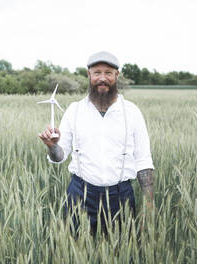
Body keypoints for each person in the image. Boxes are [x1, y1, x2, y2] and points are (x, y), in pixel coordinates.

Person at [38, 51, 155, 236]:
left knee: (123, 253)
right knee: (75, 250)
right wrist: (52, 146)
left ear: (117, 75)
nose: (102, 78)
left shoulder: (131, 112)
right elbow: (60, 156)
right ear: (89, 75)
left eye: (108, 73)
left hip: (121, 196)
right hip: (80, 195)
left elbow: (143, 161)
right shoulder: (74, 110)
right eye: (97, 72)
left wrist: (149, 204)